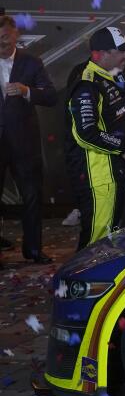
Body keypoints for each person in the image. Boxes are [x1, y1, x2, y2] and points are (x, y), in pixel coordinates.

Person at [66, 27, 125, 249]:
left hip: (113, 172)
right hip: (98, 175)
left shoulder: (113, 76)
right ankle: (80, 284)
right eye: (121, 51)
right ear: (102, 54)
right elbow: (86, 133)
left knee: (111, 236)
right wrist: (122, 148)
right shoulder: (87, 83)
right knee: (96, 241)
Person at [0, 15, 58, 263]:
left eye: (4, 37)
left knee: (32, 196)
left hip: (24, 143)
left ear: (15, 36)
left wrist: (26, 91)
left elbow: (51, 96)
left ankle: (33, 250)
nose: (0, 43)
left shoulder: (31, 63)